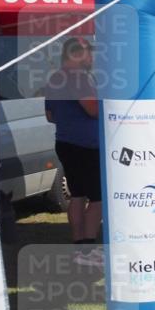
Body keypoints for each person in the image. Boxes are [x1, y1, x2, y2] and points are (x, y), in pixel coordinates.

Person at [44, 37, 102, 264]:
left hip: (66, 142)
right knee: (97, 198)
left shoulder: (55, 78)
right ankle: (87, 249)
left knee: (77, 195)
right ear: (77, 54)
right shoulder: (79, 78)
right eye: (89, 53)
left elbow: (50, 116)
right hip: (85, 145)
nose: (92, 59)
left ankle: (80, 249)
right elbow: (92, 109)